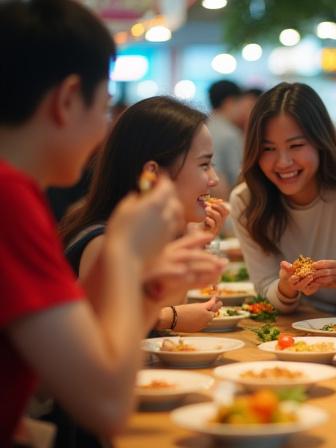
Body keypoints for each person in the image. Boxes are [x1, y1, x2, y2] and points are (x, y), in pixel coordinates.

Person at [0, 0, 217, 444]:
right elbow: (107, 408)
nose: (104, 130)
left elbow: (51, 368)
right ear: (66, 100)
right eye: (103, 107)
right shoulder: (9, 200)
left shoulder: (20, 194)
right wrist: (123, 253)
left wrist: (146, 285)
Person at [60, 95, 229, 333]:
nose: (214, 179)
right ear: (153, 173)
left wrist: (193, 240)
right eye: (204, 165)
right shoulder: (104, 242)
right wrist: (168, 318)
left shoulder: (151, 234)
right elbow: (96, 332)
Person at [230, 82, 336, 314]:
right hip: (298, 325)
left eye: (296, 145)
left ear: (320, 141)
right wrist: (286, 287)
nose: (283, 162)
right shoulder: (246, 201)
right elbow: (265, 285)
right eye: (268, 149)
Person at [206, 79, 244, 200]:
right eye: (240, 104)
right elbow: (236, 177)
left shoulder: (203, 126)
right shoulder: (230, 134)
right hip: (223, 199)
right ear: (229, 102)